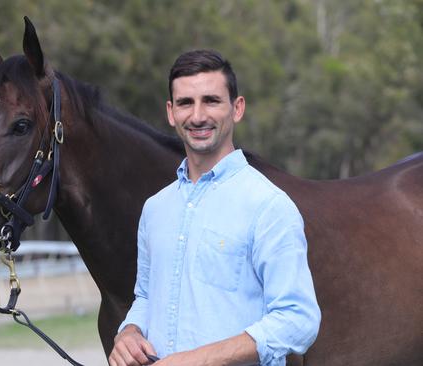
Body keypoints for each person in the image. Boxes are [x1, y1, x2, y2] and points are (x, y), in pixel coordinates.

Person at [108, 50, 321, 366]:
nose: (197, 116)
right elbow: (146, 298)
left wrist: (197, 360)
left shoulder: (268, 206)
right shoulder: (155, 209)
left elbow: (298, 319)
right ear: (170, 112)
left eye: (211, 100)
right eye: (185, 103)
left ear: (237, 108)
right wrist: (129, 332)